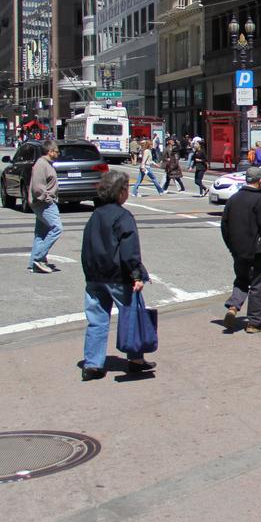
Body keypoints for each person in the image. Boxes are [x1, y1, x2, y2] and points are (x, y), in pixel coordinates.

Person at [80, 171, 154, 380]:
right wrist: (137, 275)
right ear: (120, 192)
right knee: (131, 315)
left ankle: (93, 364)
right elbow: (129, 251)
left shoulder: (95, 215)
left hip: (94, 276)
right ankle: (136, 359)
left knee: (97, 319)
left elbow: (87, 247)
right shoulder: (123, 216)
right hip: (117, 276)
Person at [220, 167, 261, 334]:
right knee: (258, 285)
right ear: (260, 180)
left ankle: (233, 307)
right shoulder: (260, 200)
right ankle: (254, 323)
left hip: (238, 251)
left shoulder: (234, 199)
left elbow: (224, 226)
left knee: (241, 280)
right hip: (257, 251)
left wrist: (231, 247)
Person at [28, 139, 63, 274]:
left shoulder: (47, 164)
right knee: (57, 228)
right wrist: (47, 199)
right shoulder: (41, 165)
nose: (58, 153)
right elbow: (38, 188)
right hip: (44, 204)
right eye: (57, 151)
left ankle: (33, 263)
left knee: (41, 234)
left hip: (43, 203)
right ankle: (38, 258)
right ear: (50, 151)